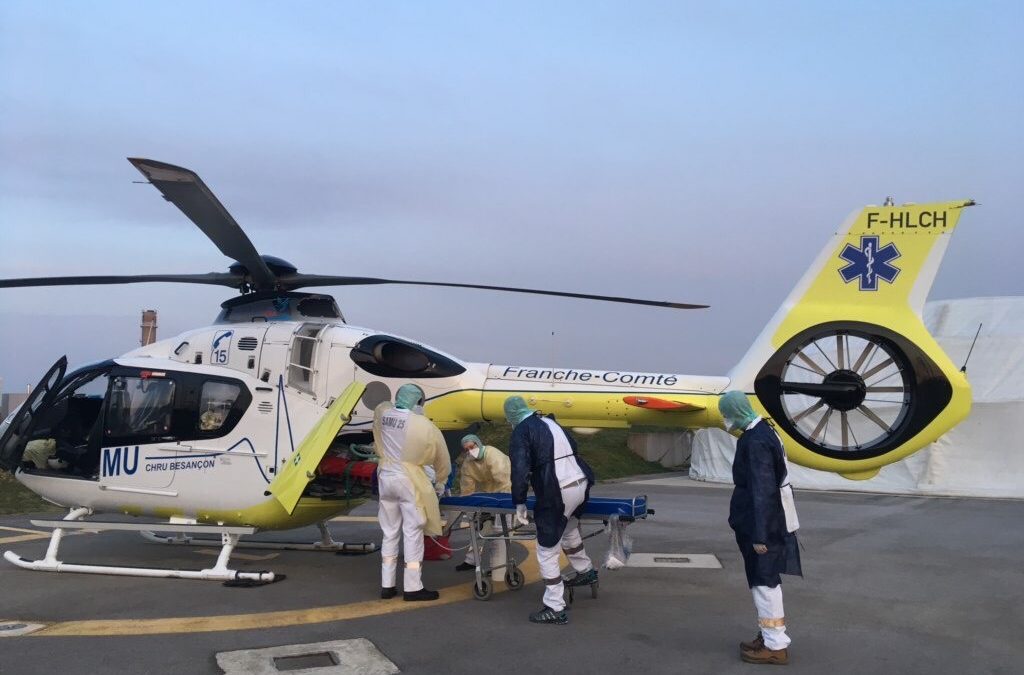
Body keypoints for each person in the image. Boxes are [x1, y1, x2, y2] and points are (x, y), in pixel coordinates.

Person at [719, 390, 802, 665]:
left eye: (725, 414)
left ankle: (776, 645)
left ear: (735, 411)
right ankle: (768, 635)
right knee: (762, 579)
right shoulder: (765, 430)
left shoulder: (755, 441)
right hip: (768, 516)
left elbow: (762, 490)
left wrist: (760, 534)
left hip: (761, 522)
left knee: (764, 581)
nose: (725, 419)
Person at [505, 395, 597, 625]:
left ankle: (554, 607)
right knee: (570, 528)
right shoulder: (550, 421)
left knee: (546, 549)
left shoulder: (522, 431)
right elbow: (573, 447)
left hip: (558, 490)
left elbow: (519, 468)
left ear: (511, 416)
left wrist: (519, 501)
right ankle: (585, 570)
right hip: (581, 482)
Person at [373, 383, 451, 601]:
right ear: (419, 402)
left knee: (389, 532)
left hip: (385, 476)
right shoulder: (424, 425)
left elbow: (382, 406)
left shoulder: (383, 414)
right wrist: (441, 481)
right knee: (412, 531)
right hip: (408, 480)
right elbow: (442, 458)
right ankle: (412, 587)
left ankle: (387, 585)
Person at [454, 434, 512, 576]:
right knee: (479, 528)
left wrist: (502, 504)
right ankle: (471, 560)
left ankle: (498, 565)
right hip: (487, 496)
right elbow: (467, 486)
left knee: (501, 529)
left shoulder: (493, 455)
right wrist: (468, 507)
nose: (470, 451)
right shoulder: (469, 462)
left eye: (472, 447)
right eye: (466, 449)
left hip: (507, 493)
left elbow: (504, 481)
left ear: (478, 444)